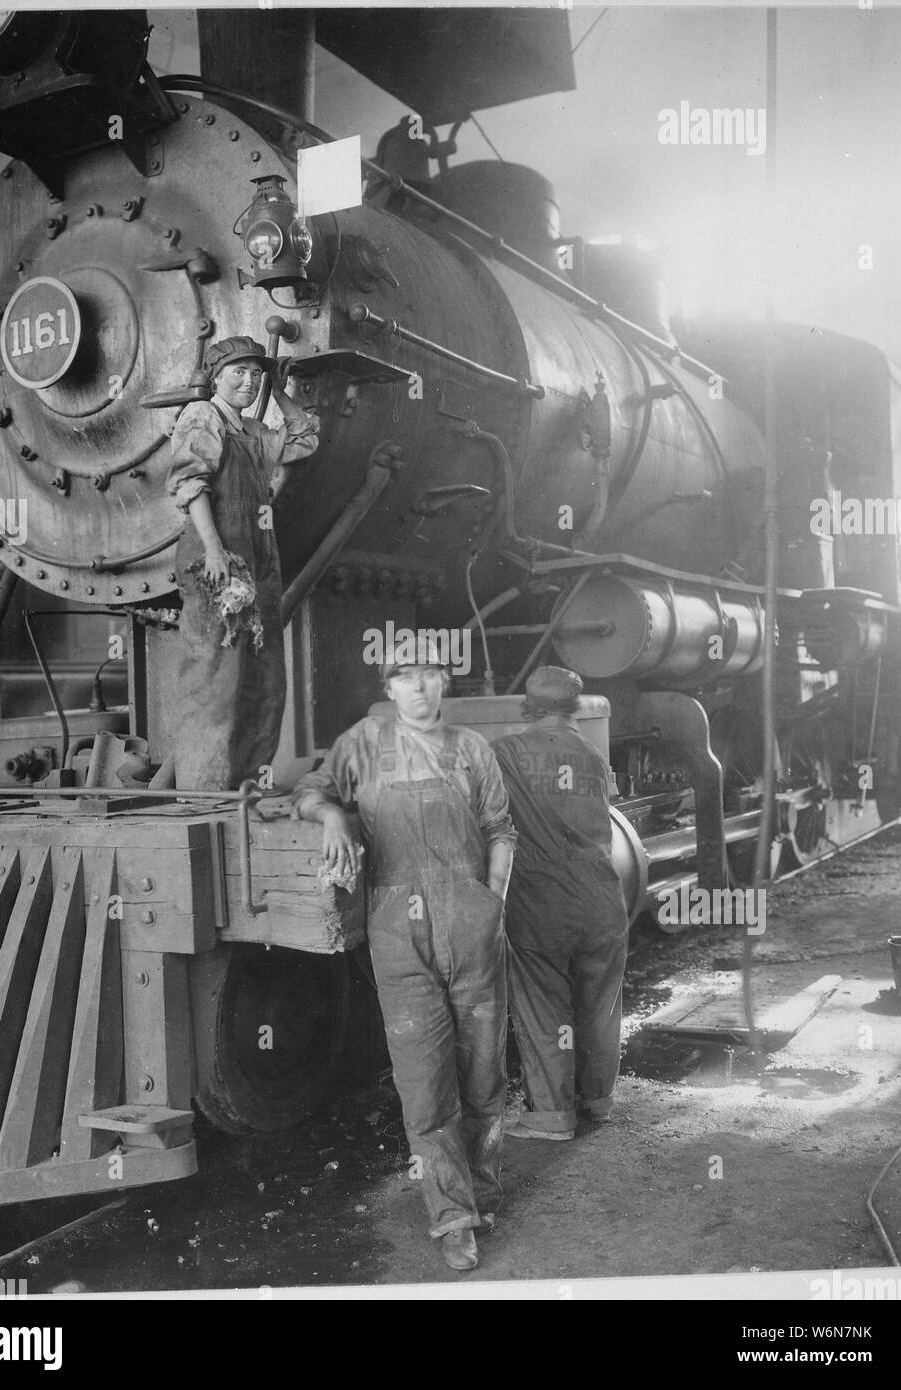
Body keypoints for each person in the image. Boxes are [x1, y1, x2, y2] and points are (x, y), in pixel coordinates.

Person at [293, 640, 517, 1271]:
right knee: (424, 1086)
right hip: (399, 936)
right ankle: (452, 1217)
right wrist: (333, 816)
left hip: (473, 931)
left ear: (444, 682)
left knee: (483, 1076)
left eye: (429, 676)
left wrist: (491, 903)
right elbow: (309, 791)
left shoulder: (473, 750)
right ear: (388, 688)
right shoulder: (361, 743)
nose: (418, 689)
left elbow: (502, 831)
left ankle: (483, 1191)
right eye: (404, 678)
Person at [166, 336, 319, 789]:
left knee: (265, 679)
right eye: (240, 373)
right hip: (217, 562)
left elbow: (304, 440)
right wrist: (214, 550)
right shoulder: (202, 416)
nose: (248, 382)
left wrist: (281, 388)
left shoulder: (251, 431)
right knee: (214, 679)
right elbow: (191, 486)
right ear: (217, 376)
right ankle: (204, 791)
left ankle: (246, 782)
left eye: (256, 374)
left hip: (258, 562)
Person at [491, 666, 629, 1139]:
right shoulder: (591, 754)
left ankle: (551, 1117)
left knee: (544, 1004)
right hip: (603, 893)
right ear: (574, 707)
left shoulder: (504, 752)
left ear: (528, 707)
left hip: (541, 898)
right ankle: (599, 1101)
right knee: (600, 1003)